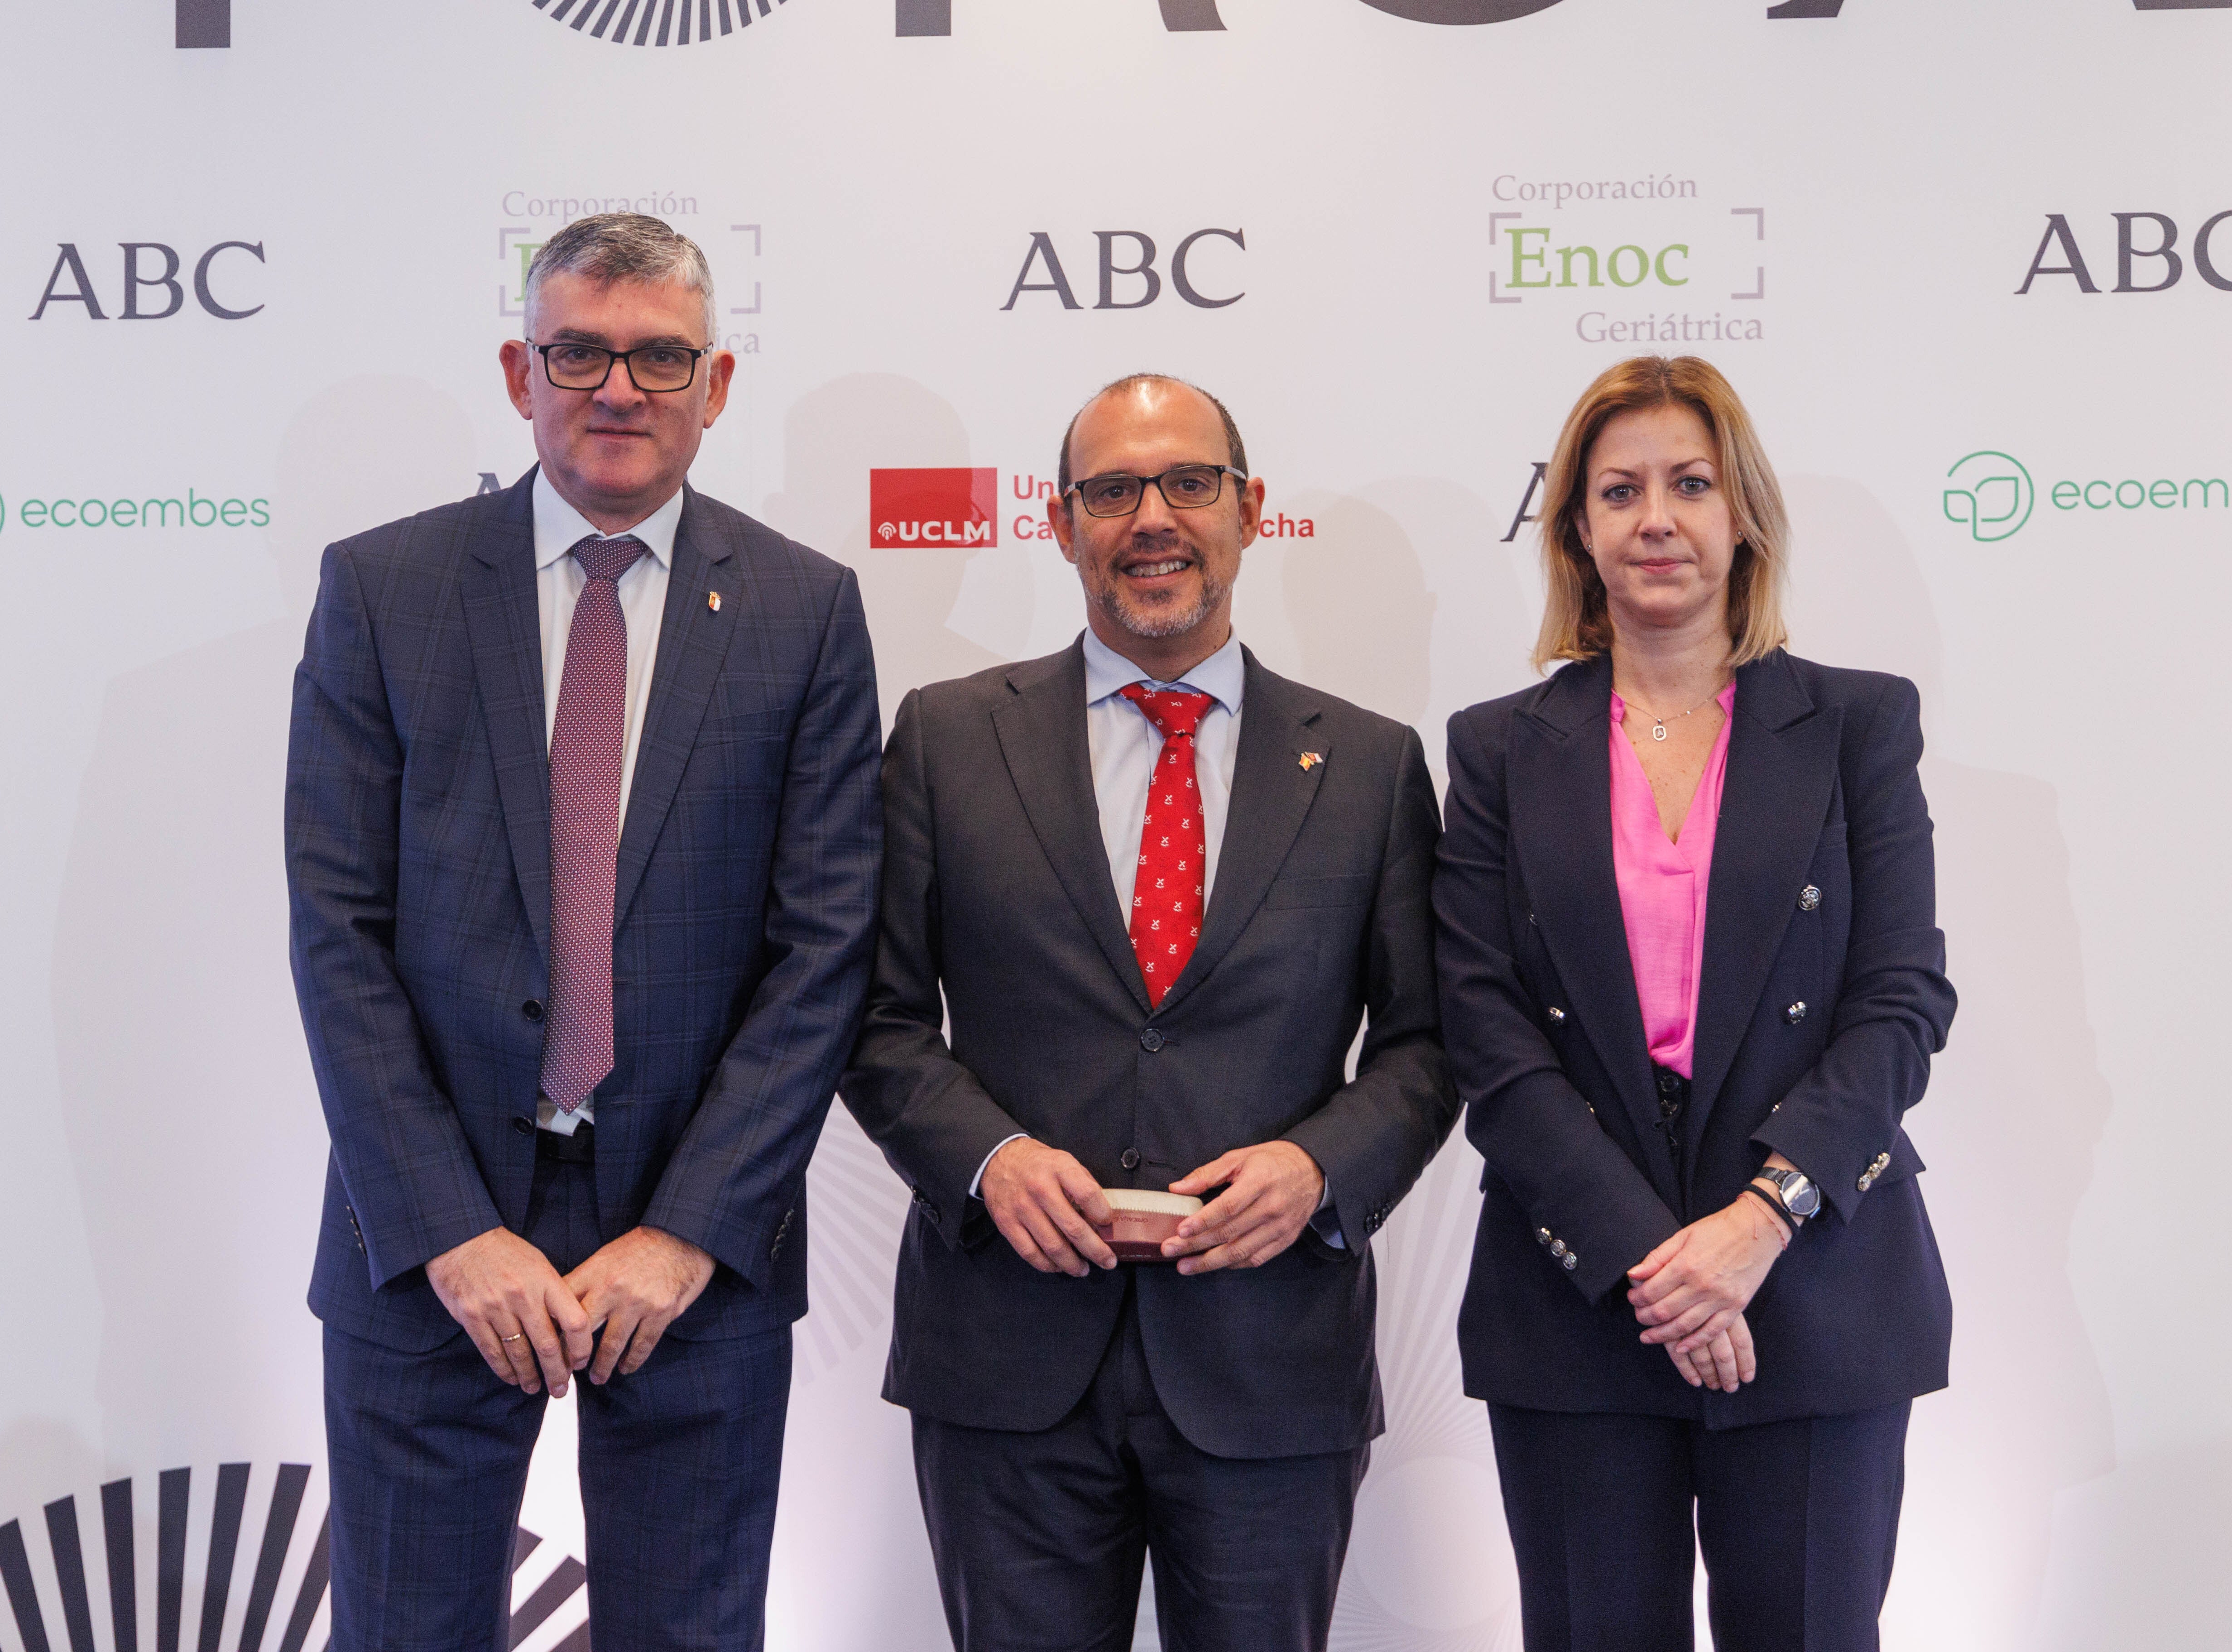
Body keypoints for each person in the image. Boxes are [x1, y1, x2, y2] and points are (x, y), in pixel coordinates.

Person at [285, 213, 880, 1652]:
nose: (619, 389)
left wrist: (687, 1236)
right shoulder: (387, 589)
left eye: (660, 358)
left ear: (716, 383)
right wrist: (448, 1235)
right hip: (429, 1248)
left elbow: (824, 954)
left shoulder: (806, 609)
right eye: (580, 353)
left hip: (693, 1249)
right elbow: (337, 933)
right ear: (520, 370)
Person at [839, 374, 1459, 1652]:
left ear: (1250, 511)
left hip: (1268, 1363)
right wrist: (989, 1161)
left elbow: (1429, 1043)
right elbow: (873, 1015)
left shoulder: (1371, 763)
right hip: (1007, 1360)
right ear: (1061, 526)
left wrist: (1316, 1169)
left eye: (1188, 483)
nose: (1152, 518)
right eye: (1111, 491)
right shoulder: (948, 738)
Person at [1434, 355, 1957, 1652]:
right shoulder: (1497, 748)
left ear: (1744, 520)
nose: (1656, 517)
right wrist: (1656, 1265)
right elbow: (1486, 1032)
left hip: (1815, 1277)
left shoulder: (1857, 725)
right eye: (1620, 491)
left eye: (1690, 484)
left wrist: (1758, 1226)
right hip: (1577, 1298)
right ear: (1577, 532)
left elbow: (1902, 1000)